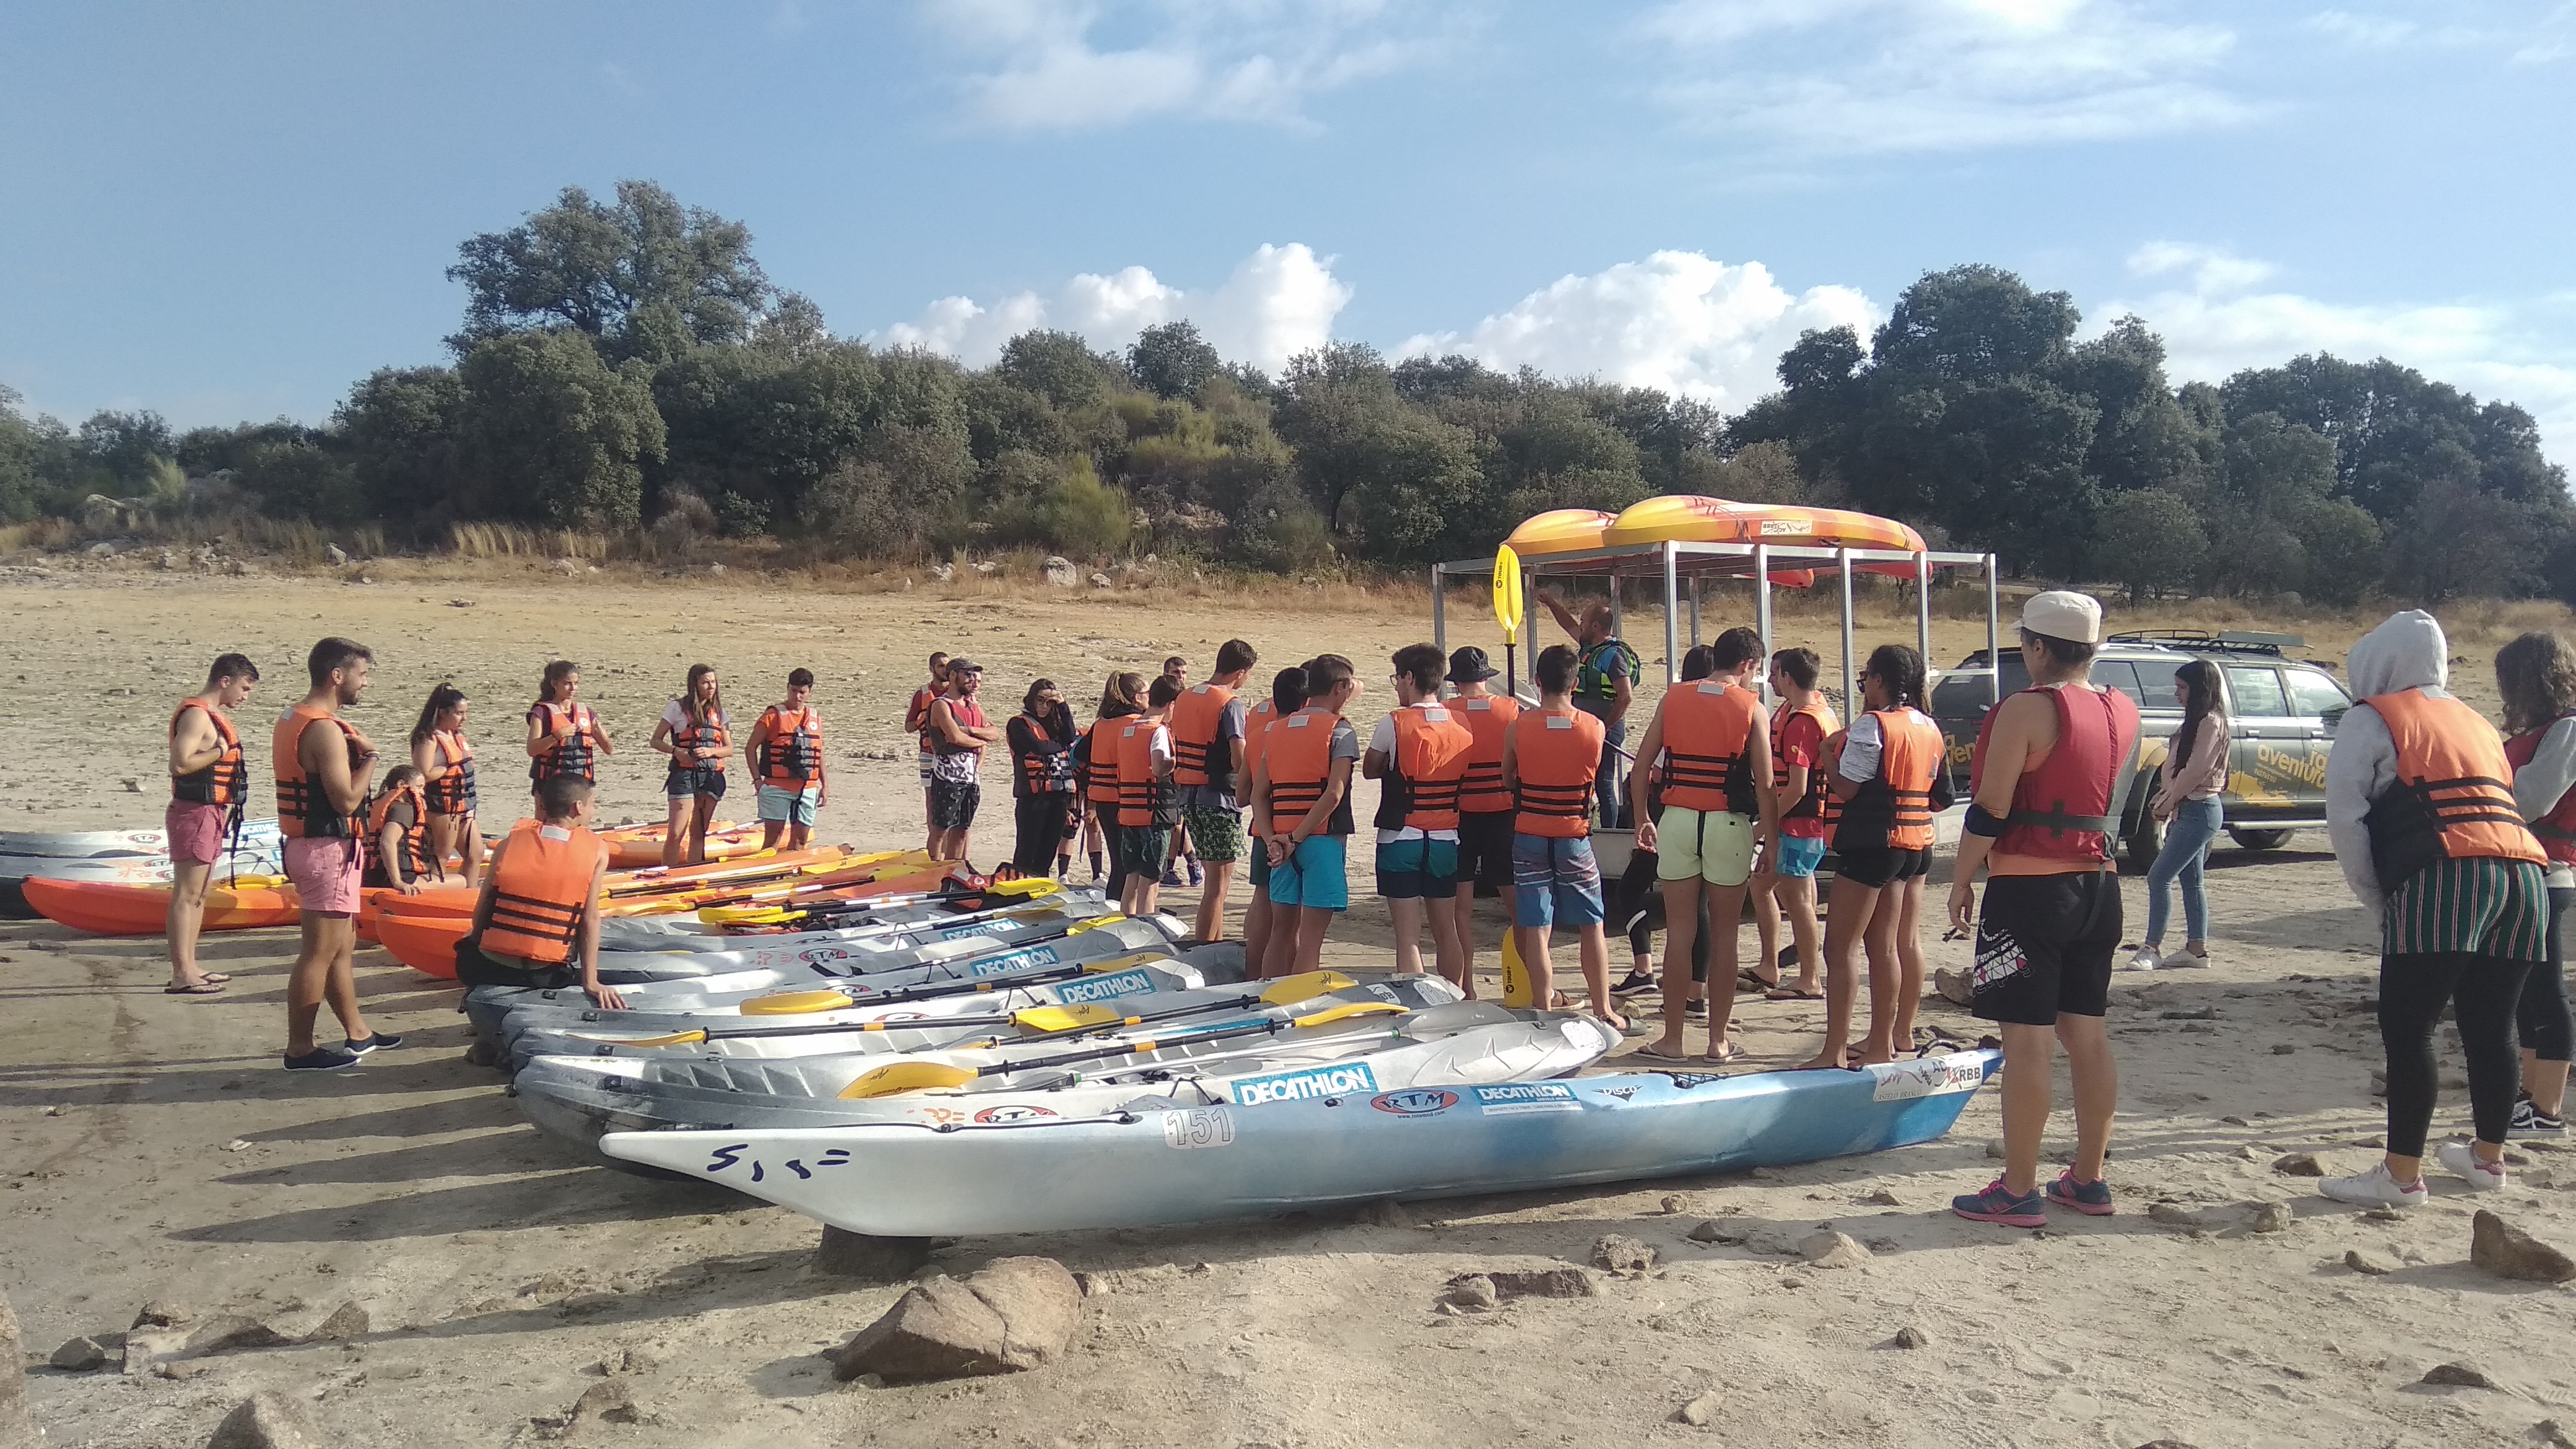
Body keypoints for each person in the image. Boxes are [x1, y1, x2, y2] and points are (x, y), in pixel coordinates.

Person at [2315, 609, 2549, 1209]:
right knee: (2492, 1023)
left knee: (2406, 1025)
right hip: (2525, 875)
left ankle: (2399, 1176)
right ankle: (2487, 1159)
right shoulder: (2472, 721)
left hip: (2446, 874)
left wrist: (2381, 903)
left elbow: (2346, 821)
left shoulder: (2373, 719)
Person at [1948, 593, 2136, 1226]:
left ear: (2035, 647)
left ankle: (2018, 1188)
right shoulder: (2123, 710)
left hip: (2030, 892)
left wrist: (1960, 876)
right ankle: (2088, 1178)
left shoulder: (2026, 710)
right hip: (2099, 890)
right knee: (2087, 1037)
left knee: (2026, 1045)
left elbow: (1990, 808)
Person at [1632, 627, 1775, 1061]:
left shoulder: (1674, 698)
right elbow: (1766, 784)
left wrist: (1642, 817)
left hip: (1676, 820)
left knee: (1679, 934)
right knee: (1727, 937)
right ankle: (1717, 1041)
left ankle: (1672, 1039)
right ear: (1747, 665)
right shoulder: (1752, 708)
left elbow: (1640, 769)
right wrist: (1770, 837)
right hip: (1727, 825)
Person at [1803, 643, 1946, 1071]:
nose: (1865, 685)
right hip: (1912, 845)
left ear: (1880, 680)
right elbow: (1939, 792)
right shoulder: (1928, 727)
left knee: (1840, 947)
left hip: (1871, 844)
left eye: (1867, 677)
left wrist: (1828, 756)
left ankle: (1833, 1051)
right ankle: (1884, 1044)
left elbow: (1848, 788)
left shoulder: (1873, 725)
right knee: (1884, 948)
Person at [274, 637, 397, 1070]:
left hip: (320, 848)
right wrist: (373, 759)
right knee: (319, 952)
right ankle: (300, 1050)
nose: (366, 684)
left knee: (341, 946)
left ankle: (358, 1033)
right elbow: (346, 801)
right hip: (325, 849)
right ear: (337, 675)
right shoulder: (323, 728)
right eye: (362, 675)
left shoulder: (293, 716)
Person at [1502, 643, 1625, 1029]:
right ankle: (1603, 1009)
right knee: (1592, 924)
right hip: (1573, 835)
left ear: (1537, 682)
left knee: (1537, 925)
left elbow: (1509, 778)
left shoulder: (1519, 726)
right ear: (1575, 684)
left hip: (1530, 834)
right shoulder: (1595, 726)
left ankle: (1543, 1007)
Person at [455, 773, 623, 1012]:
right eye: (592, 804)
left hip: (488, 968)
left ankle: (479, 1007)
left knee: (471, 937)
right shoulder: (597, 851)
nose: (592, 811)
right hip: (544, 974)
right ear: (577, 807)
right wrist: (591, 982)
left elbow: (479, 917)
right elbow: (590, 919)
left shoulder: (509, 843)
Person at [2500, 630, 2576, 1138]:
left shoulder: (2568, 729)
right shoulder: (2548, 729)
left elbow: (2533, 799)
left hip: (2547, 869)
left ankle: (2548, 1110)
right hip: (2526, 867)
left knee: (2545, 990)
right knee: (2526, 991)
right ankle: (2530, 1097)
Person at [1366, 643, 1474, 981]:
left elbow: (1371, 768)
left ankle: (1418, 1005)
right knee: (1447, 932)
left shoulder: (1394, 723)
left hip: (1401, 837)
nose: (1397, 684)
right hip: (1446, 837)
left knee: (1408, 938)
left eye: (1397, 678)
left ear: (1410, 677)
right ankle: (1454, 1000)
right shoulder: (1461, 723)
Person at [1253, 655, 1361, 978]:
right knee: (1312, 939)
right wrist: (1296, 837)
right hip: (1319, 841)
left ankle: (1268, 995)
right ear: (1340, 687)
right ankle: (1300, 1004)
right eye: (1348, 689)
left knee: (1281, 932)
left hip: (1279, 843)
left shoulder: (1275, 730)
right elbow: (1334, 793)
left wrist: (1274, 837)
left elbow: (1259, 794)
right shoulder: (1340, 731)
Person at [164, 653, 259, 994]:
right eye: (244, 689)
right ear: (225, 681)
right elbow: (179, 764)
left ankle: (191, 966)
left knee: (200, 894)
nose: (245, 697)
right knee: (187, 894)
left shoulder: (211, 716)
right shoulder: (196, 716)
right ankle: (181, 973)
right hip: (194, 811)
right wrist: (219, 753)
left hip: (212, 812)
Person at [2129, 660, 2227, 971]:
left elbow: (2196, 770)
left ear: (2200, 689)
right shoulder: (2197, 722)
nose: (2177, 694)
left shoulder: (2211, 722)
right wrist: (2167, 797)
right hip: (2191, 808)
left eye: (2182, 688)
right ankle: (2196, 949)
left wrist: (2169, 800)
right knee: (2191, 880)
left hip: (2200, 809)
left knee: (2159, 877)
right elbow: (2178, 768)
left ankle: (2151, 947)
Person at [1752, 647, 1837, 1001]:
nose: (1770, 680)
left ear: (1789, 677)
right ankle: (1770, 966)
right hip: (1804, 822)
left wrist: (1763, 828)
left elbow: (1798, 787)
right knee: (1762, 886)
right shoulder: (1810, 708)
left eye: (1774, 674)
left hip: (1801, 823)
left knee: (1798, 899)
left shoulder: (1802, 721)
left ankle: (1810, 979)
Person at [1170, 639, 1258, 942]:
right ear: (1241, 672)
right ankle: (1206, 947)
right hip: (1219, 799)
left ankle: (1214, 943)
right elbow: (1238, 756)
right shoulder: (1230, 703)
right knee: (1218, 887)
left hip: (1188, 797)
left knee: (1213, 881)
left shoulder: (1185, 697)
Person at [1447, 646, 1518, 1001]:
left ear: (1455, 681)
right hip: (1502, 813)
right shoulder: (1510, 709)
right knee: (1516, 903)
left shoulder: (1446, 712)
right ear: (1487, 677)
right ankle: (1533, 981)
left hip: (1459, 815)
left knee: (1461, 908)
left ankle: (1467, 987)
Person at [1537, 591, 1640, 827]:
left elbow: (1625, 697)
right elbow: (1568, 624)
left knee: (1604, 784)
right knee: (1582, 780)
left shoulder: (1613, 656)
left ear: (1595, 626)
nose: (1579, 625)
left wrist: (1604, 728)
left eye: (1584, 621)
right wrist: (1551, 602)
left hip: (1606, 730)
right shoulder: (1588, 647)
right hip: (1584, 727)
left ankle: (1609, 833)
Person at [1240, 667, 1305, 975]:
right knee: (1291, 920)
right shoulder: (1310, 734)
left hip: (1261, 833)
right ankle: (1287, 979)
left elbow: (1242, 796)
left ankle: (1252, 975)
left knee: (1262, 903)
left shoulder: (1255, 737)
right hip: (1299, 834)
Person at [650, 664, 729, 868]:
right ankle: (667, 876)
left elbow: (729, 749)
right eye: (705, 682)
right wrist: (677, 752)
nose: (710, 686)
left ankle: (692, 874)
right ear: (694, 684)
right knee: (676, 832)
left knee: (698, 832)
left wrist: (712, 752)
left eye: (713, 682)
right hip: (683, 775)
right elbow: (656, 740)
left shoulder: (719, 712)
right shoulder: (676, 708)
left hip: (710, 775)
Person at [1116, 676, 1183, 916]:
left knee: (1131, 876)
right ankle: (1146, 925)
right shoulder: (1159, 731)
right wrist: (1178, 761)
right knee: (1150, 878)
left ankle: (1126, 921)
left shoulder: (1127, 731)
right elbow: (1158, 767)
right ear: (1171, 705)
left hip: (1129, 813)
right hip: (1154, 814)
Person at [925, 657, 1003, 863]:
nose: (972, 680)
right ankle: (933, 868)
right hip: (947, 776)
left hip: (970, 777)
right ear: (953, 676)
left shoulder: (973, 707)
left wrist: (970, 731)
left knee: (962, 829)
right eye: (967, 675)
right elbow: (954, 737)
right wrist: (980, 740)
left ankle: (953, 870)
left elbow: (995, 733)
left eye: (974, 676)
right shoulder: (942, 705)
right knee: (940, 828)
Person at [1078, 674, 1147, 899]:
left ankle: (1114, 904)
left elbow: (1077, 755)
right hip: (1125, 800)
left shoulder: (1101, 723)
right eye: (1147, 693)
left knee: (1118, 861)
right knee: (1128, 864)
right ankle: (1118, 909)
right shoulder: (1135, 724)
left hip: (1103, 799)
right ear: (1137, 698)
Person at [1006, 678, 1080, 879]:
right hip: (1033, 799)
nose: (1044, 706)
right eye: (1040, 700)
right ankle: (1017, 891)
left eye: (1050, 702)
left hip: (1058, 798)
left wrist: (1063, 705)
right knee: (1027, 851)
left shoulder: (1056, 726)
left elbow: (1071, 735)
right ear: (1031, 699)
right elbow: (1038, 748)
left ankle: (1040, 889)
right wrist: (1063, 745)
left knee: (1047, 852)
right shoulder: (1018, 724)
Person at [748, 669, 827, 850]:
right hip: (776, 787)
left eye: (802, 692)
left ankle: (795, 876)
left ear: (809, 692)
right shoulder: (772, 716)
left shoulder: (815, 717)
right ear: (787, 688)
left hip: (808, 789)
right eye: (793, 691)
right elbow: (750, 748)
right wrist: (757, 781)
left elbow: (818, 753)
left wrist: (825, 786)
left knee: (800, 842)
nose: (797, 696)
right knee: (772, 842)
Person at [409, 684, 481, 882]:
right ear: (442, 713)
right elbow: (422, 774)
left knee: (476, 854)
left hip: (463, 805)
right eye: (459, 713)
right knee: (441, 857)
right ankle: (432, 895)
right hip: (442, 807)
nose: (464, 719)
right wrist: (445, 770)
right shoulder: (429, 738)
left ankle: (469, 899)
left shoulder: (456, 736)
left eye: (465, 713)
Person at [526, 660, 612, 800]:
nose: (573, 688)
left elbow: (609, 750)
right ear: (554, 684)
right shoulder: (541, 712)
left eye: (576, 683)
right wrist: (557, 735)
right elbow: (532, 749)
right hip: (550, 781)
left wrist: (598, 731)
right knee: (547, 820)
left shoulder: (585, 712)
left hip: (580, 780)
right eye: (567, 683)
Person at [1159, 655, 1203, 888]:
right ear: (1166, 673)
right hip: (1164, 765)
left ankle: (1184, 865)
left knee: (1179, 821)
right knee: (1175, 822)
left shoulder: (1187, 700)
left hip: (1182, 766)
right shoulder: (1159, 698)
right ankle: (1187, 863)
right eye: (1176, 672)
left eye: (1184, 673)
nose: (1181, 677)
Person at [362, 765, 435, 894]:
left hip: (368, 876)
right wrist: (397, 882)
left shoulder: (372, 806)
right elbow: (387, 843)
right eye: (419, 787)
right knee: (463, 880)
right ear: (401, 784)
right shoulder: (403, 809)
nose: (423, 793)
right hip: (396, 878)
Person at [907, 653, 951, 852]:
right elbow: (908, 726)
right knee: (932, 801)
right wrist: (923, 720)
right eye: (941, 666)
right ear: (932, 669)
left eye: (947, 666)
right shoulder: (923, 693)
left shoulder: (956, 693)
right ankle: (936, 846)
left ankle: (949, 848)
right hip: (927, 753)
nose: (945, 669)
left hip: (951, 754)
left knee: (952, 800)